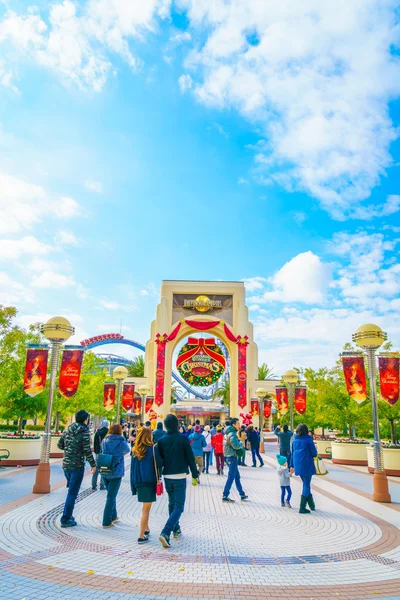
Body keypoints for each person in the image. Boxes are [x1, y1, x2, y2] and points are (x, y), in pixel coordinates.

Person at [157, 414, 199, 548]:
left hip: (167, 476)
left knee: (171, 503)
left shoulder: (162, 441)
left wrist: (158, 476)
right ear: (177, 424)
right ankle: (166, 532)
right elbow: (190, 457)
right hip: (180, 476)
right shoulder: (183, 439)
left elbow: (160, 460)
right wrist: (195, 474)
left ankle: (176, 529)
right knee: (179, 506)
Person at [58, 410, 96, 528]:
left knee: (71, 491)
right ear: (86, 419)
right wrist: (93, 464)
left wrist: (69, 449)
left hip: (66, 465)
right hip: (77, 466)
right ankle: (66, 518)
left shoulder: (68, 429)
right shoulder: (84, 431)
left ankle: (68, 515)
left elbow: (60, 445)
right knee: (72, 493)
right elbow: (87, 450)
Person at [131, 426, 162, 544]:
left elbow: (133, 470)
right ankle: (141, 536)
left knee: (145, 507)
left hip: (139, 481)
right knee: (146, 509)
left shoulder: (135, 450)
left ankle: (146, 528)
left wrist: (133, 486)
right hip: (149, 482)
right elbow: (160, 463)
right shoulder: (153, 449)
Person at [102, 423, 131, 528]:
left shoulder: (105, 440)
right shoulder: (121, 441)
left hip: (105, 470)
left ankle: (113, 516)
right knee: (110, 497)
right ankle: (106, 521)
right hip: (116, 472)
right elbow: (128, 450)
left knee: (110, 495)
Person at [290, 423, 318, 514]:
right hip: (307, 464)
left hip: (297, 464)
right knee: (306, 485)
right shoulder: (308, 440)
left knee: (306, 484)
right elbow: (314, 453)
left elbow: (292, 453)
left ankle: (312, 505)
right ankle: (302, 507)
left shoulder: (294, 441)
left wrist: (291, 465)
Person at [222, 418, 248, 503]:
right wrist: (241, 443)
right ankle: (225, 495)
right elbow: (236, 445)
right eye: (238, 424)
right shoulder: (232, 434)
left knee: (236, 476)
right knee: (231, 477)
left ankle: (242, 494)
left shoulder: (227, 433)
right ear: (233, 424)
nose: (239, 425)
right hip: (232, 457)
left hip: (229, 456)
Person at [92, 418, 109, 491]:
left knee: (96, 469)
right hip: (106, 453)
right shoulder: (109, 432)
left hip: (98, 452)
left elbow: (95, 444)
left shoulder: (98, 433)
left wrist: (96, 452)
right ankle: (102, 485)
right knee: (103, 469)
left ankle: (93, 485)